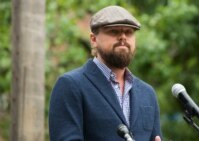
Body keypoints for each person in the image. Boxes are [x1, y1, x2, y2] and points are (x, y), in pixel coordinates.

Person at [49, 5, 162, 141]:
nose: (123, 37)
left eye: (129, 32)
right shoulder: (70, 85)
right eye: (114, 32)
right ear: (93, 39)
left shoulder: (147, 93)